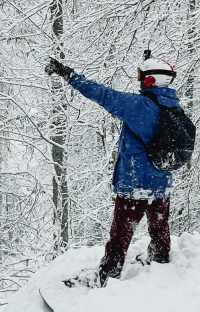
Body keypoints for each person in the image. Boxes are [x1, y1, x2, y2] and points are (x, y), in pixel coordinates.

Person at [46, 54, 179, 286]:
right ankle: (159, 262)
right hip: (161, 185)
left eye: (141, 77)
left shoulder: (139, 106)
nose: (139, 81)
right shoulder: (174, 107)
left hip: (135, 186)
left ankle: (107, 276)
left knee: (120, 235)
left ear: (151, 81)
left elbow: (102, 94)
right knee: (159, 228)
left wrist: (69, 75)